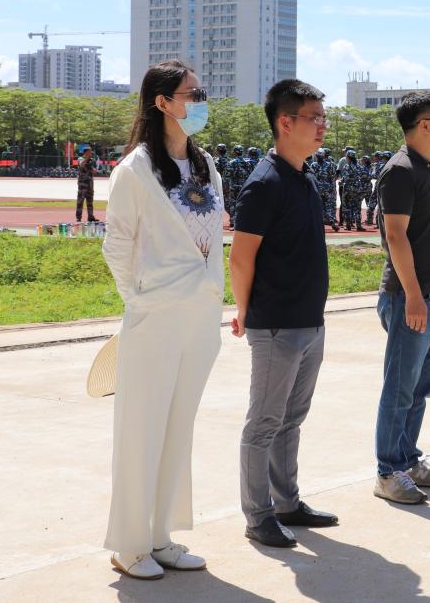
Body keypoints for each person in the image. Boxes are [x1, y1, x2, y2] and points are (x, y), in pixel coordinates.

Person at [102, 59, 223, 580]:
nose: (200, 103)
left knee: (178, 429)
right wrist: (140, 300)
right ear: (162, 102)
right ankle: (129, 544)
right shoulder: (134, 170)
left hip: (200, 316)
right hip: (155, 316)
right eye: (192, 95)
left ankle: (161, 536)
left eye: (201, 93)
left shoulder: (205, 165)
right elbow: (117, 244)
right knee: (142, 429)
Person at [230, 80, 336, 550]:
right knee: (264, 423)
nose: (322, 125)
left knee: (291, 418)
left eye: (323, 117)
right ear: (285, 122)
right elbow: (241, 257)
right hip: (276, 324)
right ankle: (258, 516)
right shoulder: (264, 183)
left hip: (309, 321)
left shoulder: (304, 178)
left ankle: (287, 502)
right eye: (314, 117)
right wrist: (244, 311)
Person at [373, 91, 430, 504]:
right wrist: (414, 296)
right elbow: (395, 236)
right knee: (400, 388)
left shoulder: (427, 168)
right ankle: (388, 471)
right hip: (411, 297)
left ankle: (407, 460)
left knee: (421, 387)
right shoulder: (401, 170)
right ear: (424, 125)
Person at [76, 146, 98, 223]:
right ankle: (78, 217)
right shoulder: (80, 159)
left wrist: (93, 169)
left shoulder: (91, 160)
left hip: (90, 183)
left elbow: (94, 170)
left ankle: (90, 216)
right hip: (83, 183)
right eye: (89, 152)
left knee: (90, 201)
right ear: (85, 153)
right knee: (80, 201)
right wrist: (87, 158)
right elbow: (81, 165)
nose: (90, 153)